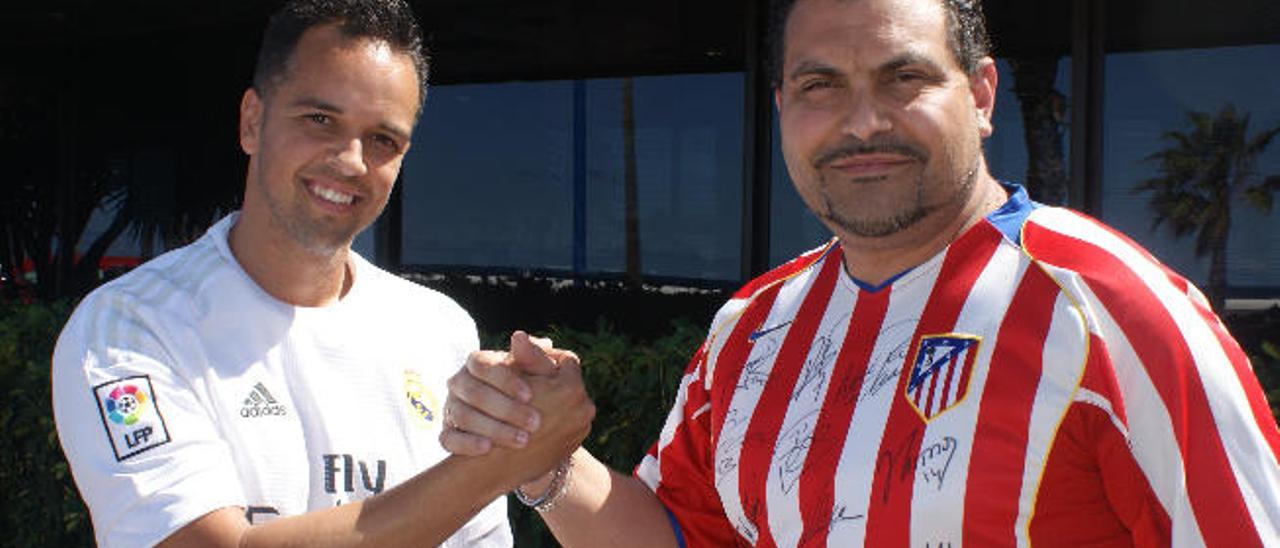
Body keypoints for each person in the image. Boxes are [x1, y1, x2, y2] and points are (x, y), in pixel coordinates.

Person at [440, 0, 1280, 545]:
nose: (862, 121)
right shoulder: (755, 324)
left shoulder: (1110, 311)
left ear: (983, 96)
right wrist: (543, 461)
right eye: (820, 86)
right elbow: (679, 534)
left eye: (903, 76)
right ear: (781, 111)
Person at [51, 1, 594, 547]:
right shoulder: (130, 329)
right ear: (252, 121)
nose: (352, 160)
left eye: (384, 139)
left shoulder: (437, 329)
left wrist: (528, 426)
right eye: (320, 120)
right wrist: (493, 468)